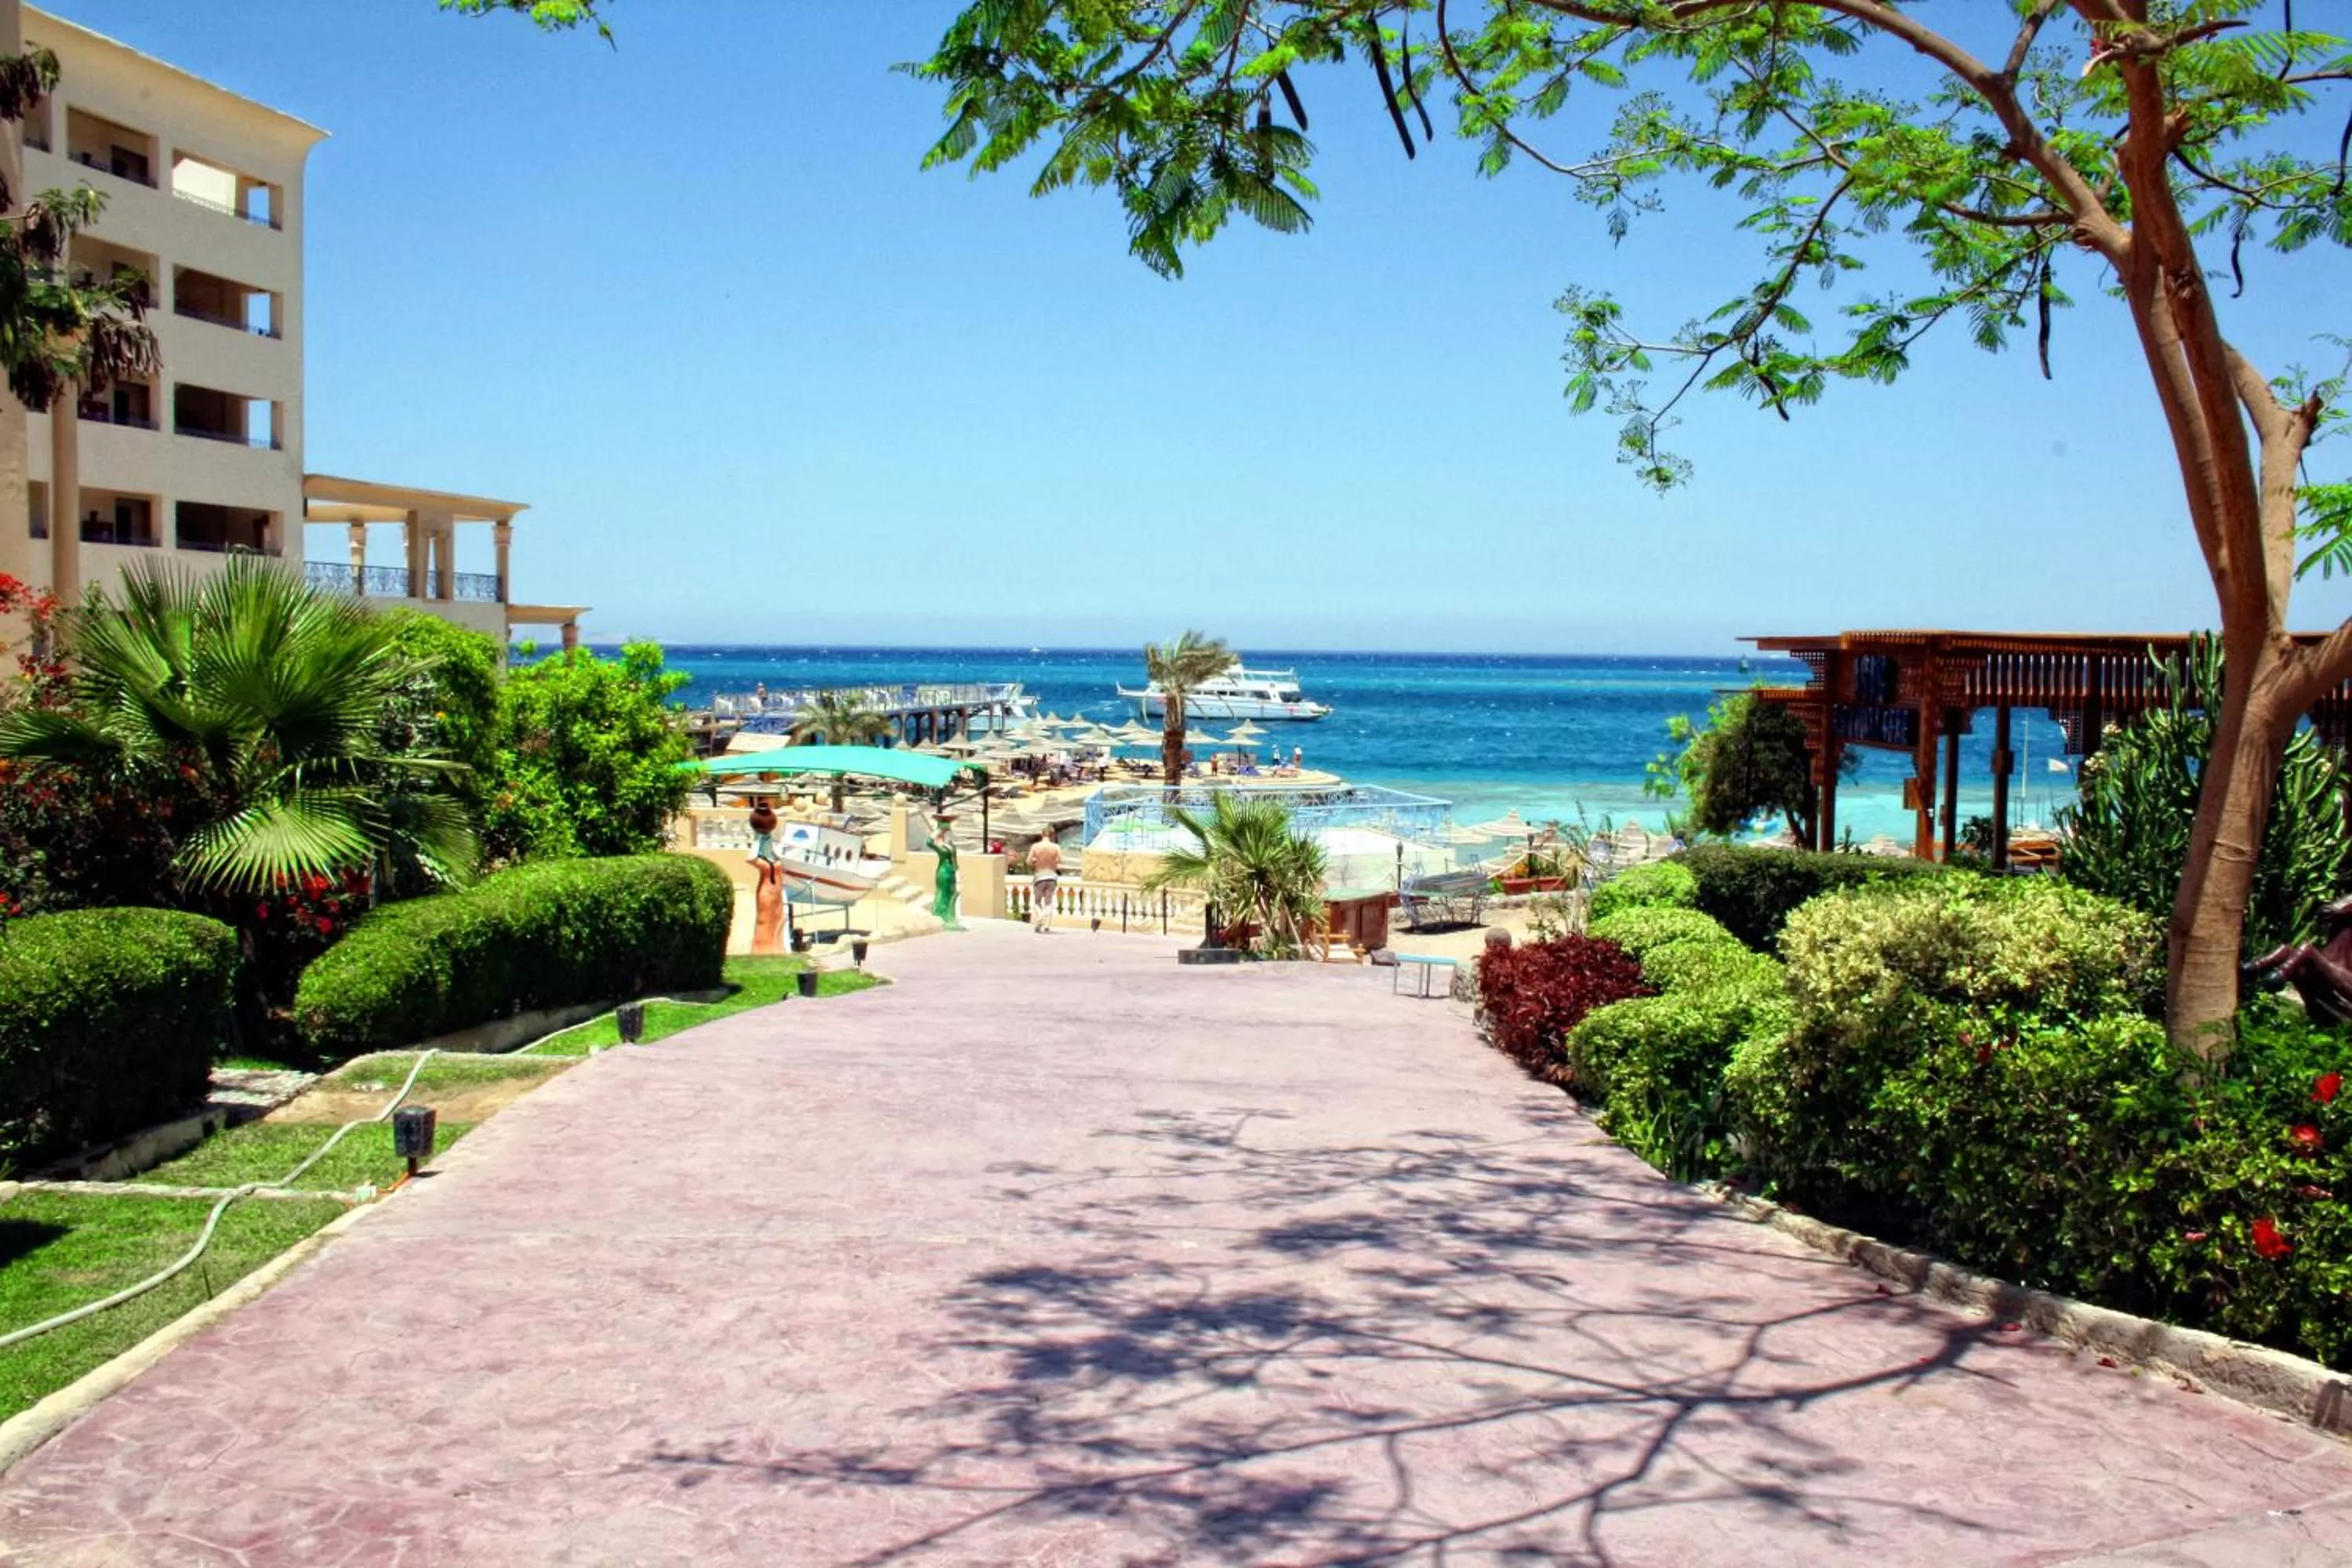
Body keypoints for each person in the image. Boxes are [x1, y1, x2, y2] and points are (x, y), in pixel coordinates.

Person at [1028, 829, 1064, 934]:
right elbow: (1061, 860)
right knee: (1048, 902)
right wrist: (1053, 861)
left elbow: (1028, 861)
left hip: (1040, 876)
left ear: (1041, 835)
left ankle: (1040, 916)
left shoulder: (1035, 847)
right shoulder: (1056, 847)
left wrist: (1036, 861)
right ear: (1052, 835)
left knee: (1037, 902)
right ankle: (1046, 924)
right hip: (1052, 876)